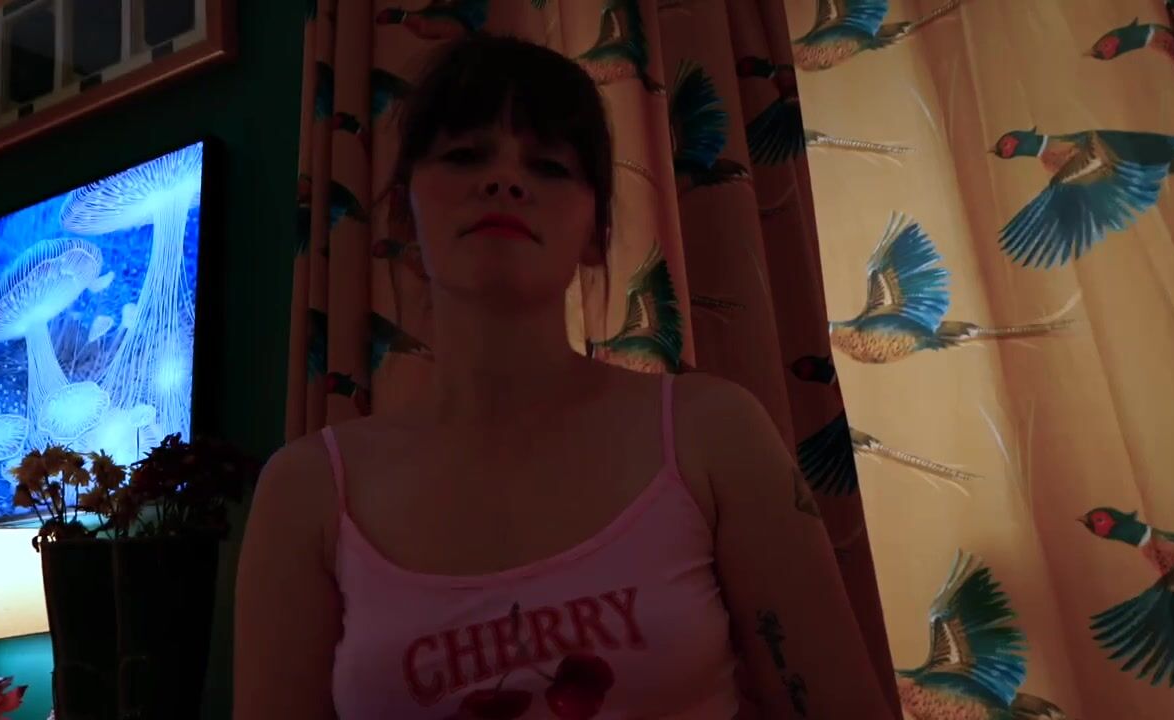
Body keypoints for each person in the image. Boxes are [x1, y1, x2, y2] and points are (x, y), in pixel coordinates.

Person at [234, 34, 891, 720]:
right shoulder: (307, 493)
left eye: (549, 166)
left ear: (596, 232)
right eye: (464, 155)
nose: (505, 181)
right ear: (404, 212)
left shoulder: (714, 435)